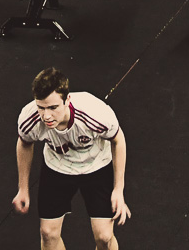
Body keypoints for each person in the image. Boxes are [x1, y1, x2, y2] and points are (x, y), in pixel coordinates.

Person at [13, 67, 129, 250]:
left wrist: (118, 189)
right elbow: (24, 143)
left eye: (53, 107)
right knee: (48, 234)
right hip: (58, 167)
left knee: (105, 237)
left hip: (96, 166)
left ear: (67, 100)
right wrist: (23, 188)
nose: (46, 116)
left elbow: (118, 140)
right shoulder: (30, 118)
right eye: (41, 107)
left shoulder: (95, 113)